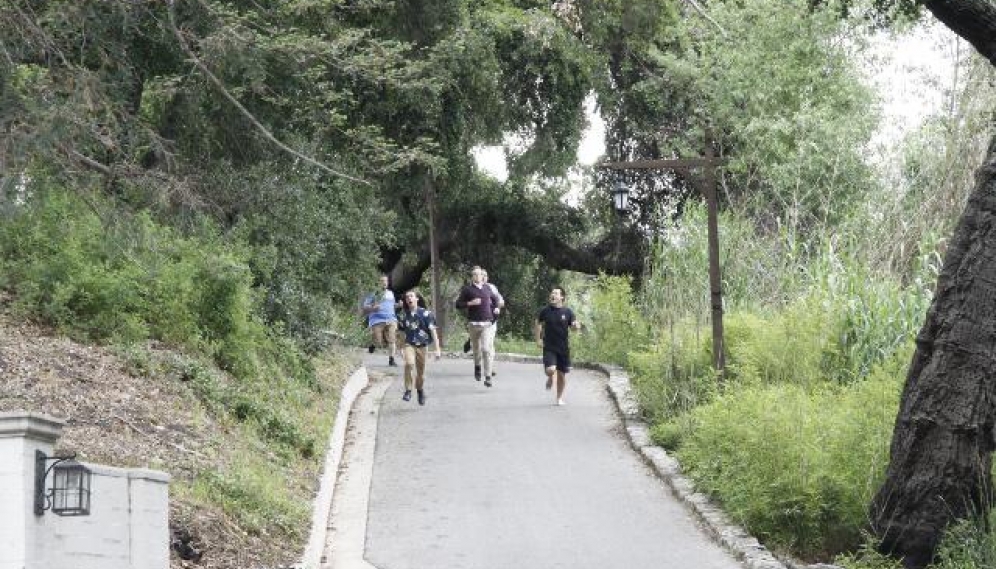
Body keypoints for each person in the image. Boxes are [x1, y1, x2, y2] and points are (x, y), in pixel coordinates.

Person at [534, 286, 581, 406]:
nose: (553, 295)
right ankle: (550, 376)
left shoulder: (568, 312)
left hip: (563, 348)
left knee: (561, 374)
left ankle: (559, 398)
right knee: (550, 370)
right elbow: (538, 323)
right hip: (549, 346)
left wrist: (576, 326)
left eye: (556, 293)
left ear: (562, 297)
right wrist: (538, 339)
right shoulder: (545, 311)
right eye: (552, 293)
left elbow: (574, 328)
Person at [455, 266, 501, 386]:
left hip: (487, 323)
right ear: (472, 277)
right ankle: (477, 367)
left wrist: (496, 308)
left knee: (486, 349)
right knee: (476, 350)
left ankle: (488, 376)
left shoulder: (487, 288)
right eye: (474, 274)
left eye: (479, 274)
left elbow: (495, 299)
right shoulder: (467, 290)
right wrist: (470, 303)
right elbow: (458, 304)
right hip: (473, 324)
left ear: (482, 276)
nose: (477, 276)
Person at [397, 289, 441, 405]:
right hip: (409, 344)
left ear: (417, 298)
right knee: (409, 364)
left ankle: (420, 390)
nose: (409, 299)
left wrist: (437, 349)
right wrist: (400, 347)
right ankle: (408, 390)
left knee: (421, 374)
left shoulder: (426, 314)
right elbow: (401, 333)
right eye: (407, 297)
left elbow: (433, 333)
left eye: (411, 296)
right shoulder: (402, 315)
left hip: (422, 346)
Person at [361, 274, 399, 366]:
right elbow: (365, 307)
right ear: (378, 283)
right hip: (377, 320)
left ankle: (391, 360)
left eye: (386, 281)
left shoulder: (391, 293)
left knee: (392, 339)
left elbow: (392, 305)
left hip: (391, 319)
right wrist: (373, 308)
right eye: (382, 281)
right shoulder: (373, 294)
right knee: (378, 341)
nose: (384, 283)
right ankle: (373, 344)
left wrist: (399, 305)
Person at [480, 269, 504, 377]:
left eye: (485, 275)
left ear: (487, 277)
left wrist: (497, 308)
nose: (483, 277)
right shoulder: (472, 289)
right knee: (482, 347)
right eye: (481, 275)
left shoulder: (492, 288)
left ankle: (489, 367)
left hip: (491, 321)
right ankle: (483, 365)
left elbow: (501, 301)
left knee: (488, 345)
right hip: (477, 322)